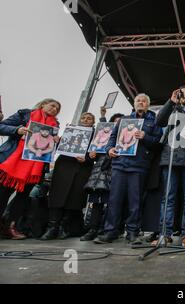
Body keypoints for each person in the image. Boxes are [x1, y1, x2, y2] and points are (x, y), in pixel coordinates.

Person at [94, 94, 162, 243]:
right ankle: (110, 231)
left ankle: (132, 232)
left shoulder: (155, 121)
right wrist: (109, 149)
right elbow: (112, 137)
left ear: (148, 104)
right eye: (138, 100)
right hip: (119, 164)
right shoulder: (124, 120)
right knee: (114, 200)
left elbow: (158, 143)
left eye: (144, 101)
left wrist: (146, 137)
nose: (141, 103)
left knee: (135, 201)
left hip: (139, 166)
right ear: (134, 103)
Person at [152, 87, 185, 248]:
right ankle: (165, 234)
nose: (184, 95)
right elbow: (159, 121)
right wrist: (171, 101)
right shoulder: (172, 110)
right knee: (167, 198)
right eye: (181, 93)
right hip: (171, 158)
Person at [0, 98, 60, 239]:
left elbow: (47, 148)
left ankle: (9, 227)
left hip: (34, 168)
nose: (55, 109)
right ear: (43, 104)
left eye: (57, 109)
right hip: (13, 163)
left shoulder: (55, 125)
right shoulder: (25, 115)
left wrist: (56, 141)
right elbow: (1, 126)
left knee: (22, 200)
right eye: (52, 105)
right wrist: (17, 130)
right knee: (2, 195)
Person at [41, 112, 96, 240]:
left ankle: (63, 228)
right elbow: (60, 147)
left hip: (83, 168)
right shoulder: (71, 130)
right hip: (64, 165)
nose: (85, 120)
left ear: (93, 122)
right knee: (57, 196)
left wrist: (87, 158)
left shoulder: (96, 135)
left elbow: (96, 154)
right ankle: (51, 228)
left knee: (74, 198)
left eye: (89, 118)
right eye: (83, 117)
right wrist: (58, 141)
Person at [80, 113, 124, 241]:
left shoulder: (126, 135)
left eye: (120, 122)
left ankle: (109, 229)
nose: (117, 124)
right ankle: (93, 229)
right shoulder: (102, 134)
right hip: (100, 172)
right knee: (97, 201)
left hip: (118, 169)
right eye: (115, 122)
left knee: (113, 203)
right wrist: (92, 153)